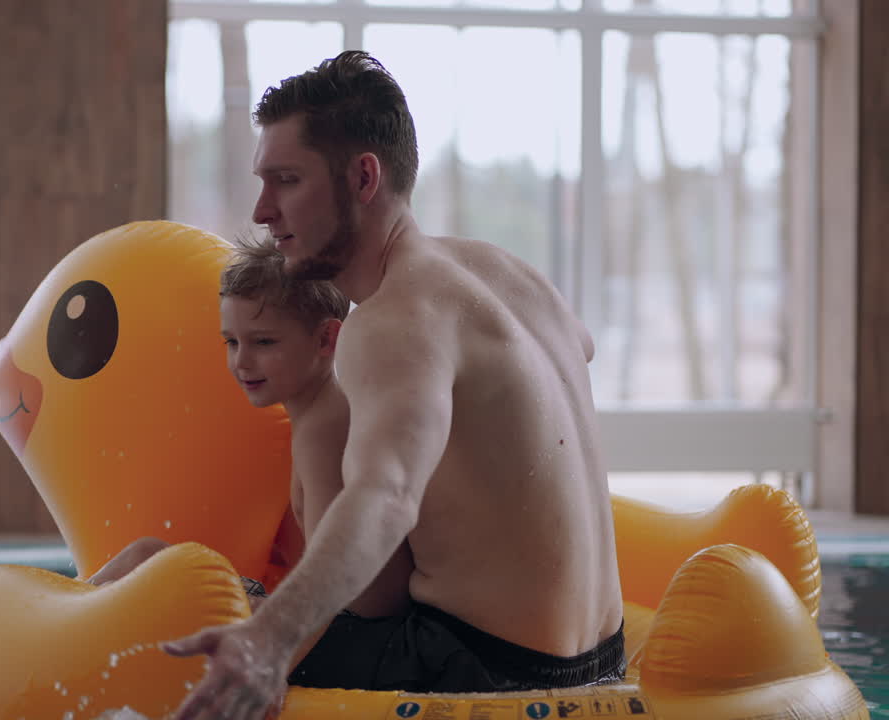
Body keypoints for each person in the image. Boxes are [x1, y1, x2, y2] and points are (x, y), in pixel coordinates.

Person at [161, 51, 625, 720]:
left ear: (364, 177)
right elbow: (578, 347)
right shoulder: (502, 270)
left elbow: (386, 497)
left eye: (286, 181)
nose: (263, 210)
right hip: (605, 658)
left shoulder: (391, 323)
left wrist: (269, 640)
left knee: (163, 618)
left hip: (482, 667)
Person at [86, 242, 410, 620]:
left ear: (326, 339)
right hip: (335, 618)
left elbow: (342, 586)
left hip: (354, 637)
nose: (242, 361)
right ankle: (70, 616)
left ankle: (68, 632)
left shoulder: (325, 431)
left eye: (263, 342)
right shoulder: (317, 418)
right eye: (232, 342)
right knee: (147, 555)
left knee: (160, 592)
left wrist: (256, 612)